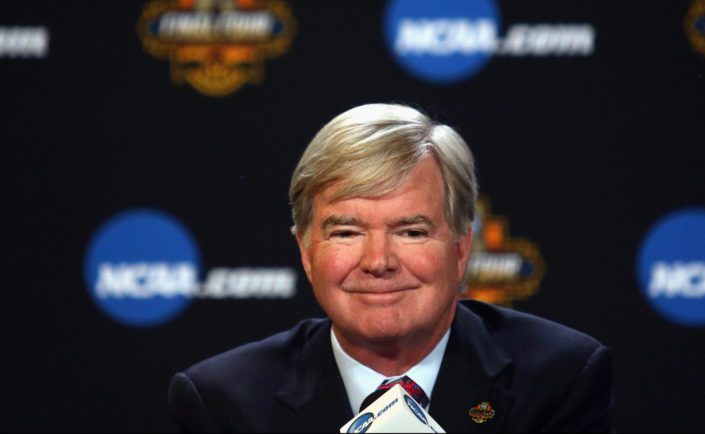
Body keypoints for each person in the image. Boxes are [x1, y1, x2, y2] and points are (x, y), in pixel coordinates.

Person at [169, 103, 613, 432]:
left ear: (461, 249)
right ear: (306, 252)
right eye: (346, 233)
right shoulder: (224, 403)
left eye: (411, 231)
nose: (378, 262)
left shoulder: (558, 379)